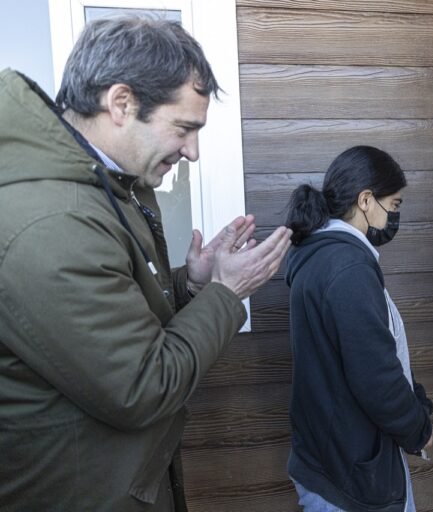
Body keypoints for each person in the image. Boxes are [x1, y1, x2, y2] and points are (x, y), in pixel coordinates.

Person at [0, 16, 291, 511]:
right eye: (184, 128)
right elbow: (143, 386)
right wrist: (226, 293)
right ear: (120, 103)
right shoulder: (56, 222)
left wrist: (191, 285)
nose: (194, 153)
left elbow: (113, 312)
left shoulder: (105, 187)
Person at [284, 146, 433, 512]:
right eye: (394, 205)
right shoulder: (347, 266)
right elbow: (376, 378)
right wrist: (420, 429)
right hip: (346, 471)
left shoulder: (320, 255)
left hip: (330, 455)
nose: (395, 216)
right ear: (366, 200)